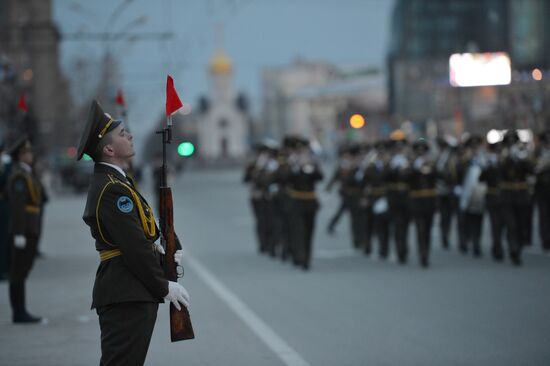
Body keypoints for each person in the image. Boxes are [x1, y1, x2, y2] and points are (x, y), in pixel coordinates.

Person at [77, 100, 190, 365]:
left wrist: (168, 246)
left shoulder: (117, 181)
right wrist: (162, 286)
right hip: (126, 290)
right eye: (121, 134)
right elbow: (134, 246)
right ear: (108, 148)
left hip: (130, 289)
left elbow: (143, 230)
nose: (129, 135)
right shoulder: (112, 188)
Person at [6, 136, 43, 323]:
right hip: (23, 230)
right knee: (18, 272)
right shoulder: (19, 177)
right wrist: (19, 234)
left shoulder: (27, 174)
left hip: (30, 228)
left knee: (23, 271)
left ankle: (21, 310)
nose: (30, 155)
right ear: (19, 156)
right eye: (26, 152)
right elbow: (18, 208)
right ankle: (18, 312)